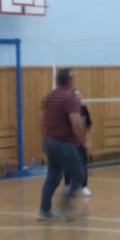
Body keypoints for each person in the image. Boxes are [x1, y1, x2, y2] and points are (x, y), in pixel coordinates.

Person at [38, 68, 88, 220]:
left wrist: (45, 139)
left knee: (53, 176)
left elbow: (43, 120)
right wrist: (83, 142)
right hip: (64, 144)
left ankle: (44, 210)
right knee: (78, 174)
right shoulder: (69, 97)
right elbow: (76, 121)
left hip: (50, 141)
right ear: (69, 80)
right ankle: (65, 206)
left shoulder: (50, 96)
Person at [64, 91, 93, 197]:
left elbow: (89, 124)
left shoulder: (84, 109)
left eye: (80, 97)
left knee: (83, 164)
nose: (79, 99)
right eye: (77, 97)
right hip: (69, 142)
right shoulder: (67, 111)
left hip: (81, 142)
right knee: (68, 165)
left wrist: (89, 138)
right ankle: (67, 185)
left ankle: (84, 186)